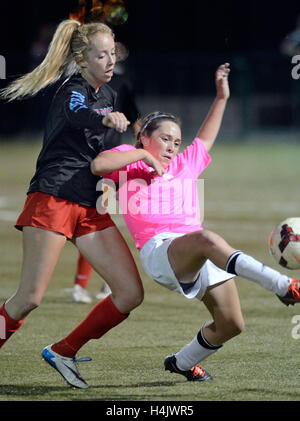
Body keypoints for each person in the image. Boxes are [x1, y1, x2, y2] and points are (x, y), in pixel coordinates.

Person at [90, 63, 300, 382]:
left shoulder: (184, 163)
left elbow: (205, 137)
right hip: (160, 251)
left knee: (231, 324)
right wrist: (142, 157)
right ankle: (283, 285)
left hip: (197, 253)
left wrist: (221, 97)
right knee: (207, 238)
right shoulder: (130, 162)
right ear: (144, 138)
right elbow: (98, 164)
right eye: (165, 139)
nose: (173, 147)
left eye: (176, 142)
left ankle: (182, 362)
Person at [0, 19, 144, 389]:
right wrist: (103, 116)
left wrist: (113, 181)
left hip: (89, 203)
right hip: (53, 196)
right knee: (29, 298)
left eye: (113, 53)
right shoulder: (72, 89)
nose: (110, 61)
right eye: (101, 55)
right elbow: (80, 111)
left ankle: (64, 351)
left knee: (129, 293)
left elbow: (97, 154)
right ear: (82, 59)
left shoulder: (109, 94)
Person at [72, 49, 140, 304]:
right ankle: (83, 285)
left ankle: (103, 284)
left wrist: (140, 147)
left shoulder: (122, 85)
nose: (112, 56)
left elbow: (134, 118)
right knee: (94, 220)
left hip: (113, 159)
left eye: (114, 51)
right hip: (90, 160)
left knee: (100, 219)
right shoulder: (85, 87)